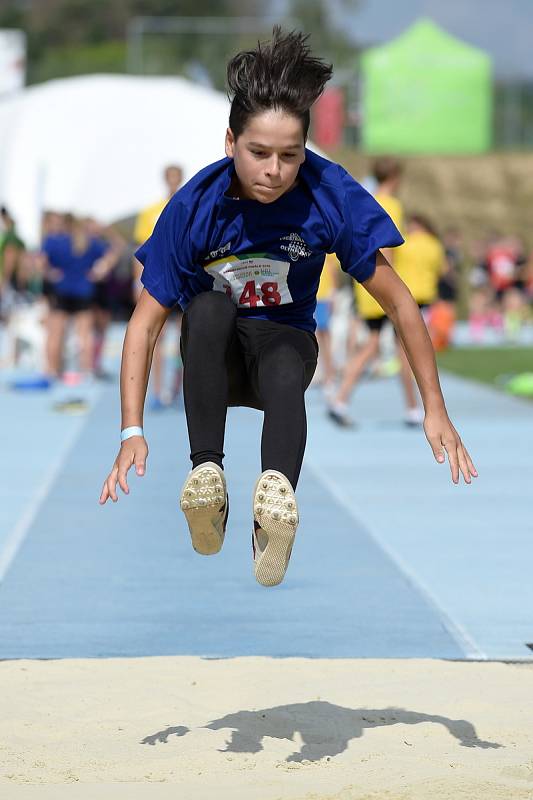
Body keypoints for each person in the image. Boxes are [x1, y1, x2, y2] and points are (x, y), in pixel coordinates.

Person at [100, 29, 477, 588]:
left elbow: (400, 303)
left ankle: (274, 503)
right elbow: (145, 323)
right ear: (230, 143)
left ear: (307, 150)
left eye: (290, 156)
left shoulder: (329, 193)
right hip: (214, 363)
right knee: (206, 311)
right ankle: (208, 472)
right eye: (258, 154)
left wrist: (435, 407)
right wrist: (131, 430)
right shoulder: (195, 207)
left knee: (283, 356)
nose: (274, 171)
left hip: (283, 350)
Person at [327, 156, 407, 427]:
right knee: (403, 345)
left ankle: (341, 399)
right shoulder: (392, 204)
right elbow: (386, 246)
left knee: (373, 344)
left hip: (364, 281)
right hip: (382, 282)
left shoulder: (367, 198)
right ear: (395, 178)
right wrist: (394, 287)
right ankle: (414, 409)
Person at [133, 165, 184, 409]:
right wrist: (137, 282)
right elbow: (142, 248)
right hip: (160, 281)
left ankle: (179, 388)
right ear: (165, 180)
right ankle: (156, 390)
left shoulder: (188, 206)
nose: (174, 183)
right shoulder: (151, 212)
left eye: (177, 179)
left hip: (185, 281)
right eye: (171, 179)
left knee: (188, 339)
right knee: (156, 337)